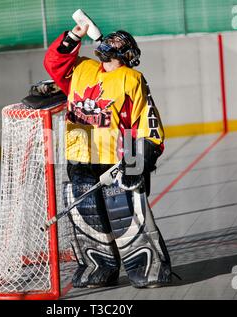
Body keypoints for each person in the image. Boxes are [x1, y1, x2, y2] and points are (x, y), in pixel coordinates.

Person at [44, 24, 174, 288]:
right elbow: (54, 63)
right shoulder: (82, 68)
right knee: (87, 215)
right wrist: (73, 35)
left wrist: (141, 158)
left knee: (127, 214)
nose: (110, 44)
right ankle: (98, 267)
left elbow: (147, 120)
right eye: (110, 41)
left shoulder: (132, 78)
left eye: (117, 43)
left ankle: (148, 268)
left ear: (126, 54)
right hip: (80, 153)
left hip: (117, 158)